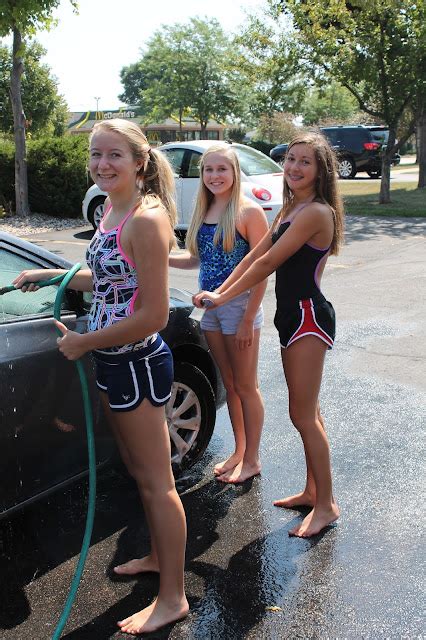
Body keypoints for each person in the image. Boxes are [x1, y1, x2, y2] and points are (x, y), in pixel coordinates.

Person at [13, 119, 188, 634]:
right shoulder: (113, 208)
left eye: (114, 155)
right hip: (114, 359)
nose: (102, 164)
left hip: (133, 360)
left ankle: (173, 597)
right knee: (140, 472)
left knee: (158, 483)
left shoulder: (146, 218)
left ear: (139, 160)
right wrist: (52, 274)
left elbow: (155, 313)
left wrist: (84, 341)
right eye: (95, 154)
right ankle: (161, 557)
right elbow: (114, 274)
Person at [194, 132, 344, 538]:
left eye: (304, 162)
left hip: (308, 318)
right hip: (291, 316)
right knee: (309, 413)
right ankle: (314, 491)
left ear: (320, 170)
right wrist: (221, 295)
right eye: (290, 159)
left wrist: (222, 295)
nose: (294, 167)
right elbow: (255, 256)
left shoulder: (316, 212)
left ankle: (327, 504)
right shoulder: (292, 209)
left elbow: (270, 263)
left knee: (302, 415)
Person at [170, 143, 269, 483]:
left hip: (239, 308)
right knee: (230, 383)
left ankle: (253, 458)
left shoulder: (248, 212)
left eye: (221, 169)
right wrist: (160, 255)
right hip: (209, 311)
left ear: (234, 172)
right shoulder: (205, 209)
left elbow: (262, 268)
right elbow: (196, 259)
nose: (214, 176)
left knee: (246, 386)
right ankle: (240, 452)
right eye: (208, 170)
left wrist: (247, 318)